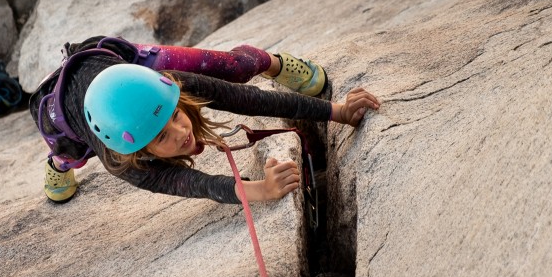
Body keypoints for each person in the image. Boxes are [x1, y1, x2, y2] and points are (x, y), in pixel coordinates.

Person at [31, 37, 380, 203]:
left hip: (119, 68)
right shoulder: (121, 159)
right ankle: (58, 166)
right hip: (60, 113)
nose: (181, 131)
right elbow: (192, 183)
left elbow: (252, 100)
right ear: (140, 150)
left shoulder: (163, 88)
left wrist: (337, 111)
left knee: (239, 68)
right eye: (162, 137)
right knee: (69, 155)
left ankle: (275, 62)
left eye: (176, 116)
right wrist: (260, 190)